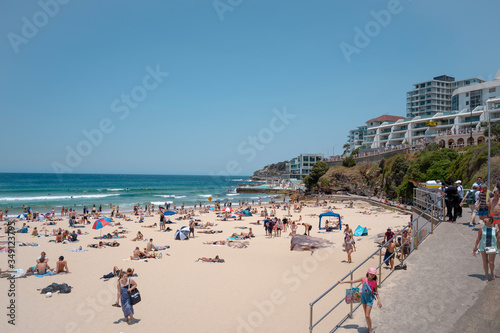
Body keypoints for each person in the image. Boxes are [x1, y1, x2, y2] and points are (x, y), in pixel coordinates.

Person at [339, 267, 382, 333]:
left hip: (369, 299)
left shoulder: (374, 282)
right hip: (363, 298)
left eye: (373, 274)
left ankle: (370, 331)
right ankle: (369, 327)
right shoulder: (363, 279)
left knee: (367, 315)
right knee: (366, 315)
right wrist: (343, 282)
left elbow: (376, 292)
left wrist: (379, 300)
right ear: (368, 273)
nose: (372, 275)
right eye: (371, 274)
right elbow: (353, 281)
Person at [473, 215, 498, 282]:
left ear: (490, 221)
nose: (484, 222)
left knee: (491, 262)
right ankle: (486, 276)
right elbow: (478, 238)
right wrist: (475, 247)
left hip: (493, 247)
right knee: (485, 262)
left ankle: (492, 272)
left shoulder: (495, 229)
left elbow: (498, 238)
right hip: (483, 247)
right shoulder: (481, 228)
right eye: (483, 221)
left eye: (485, 221)